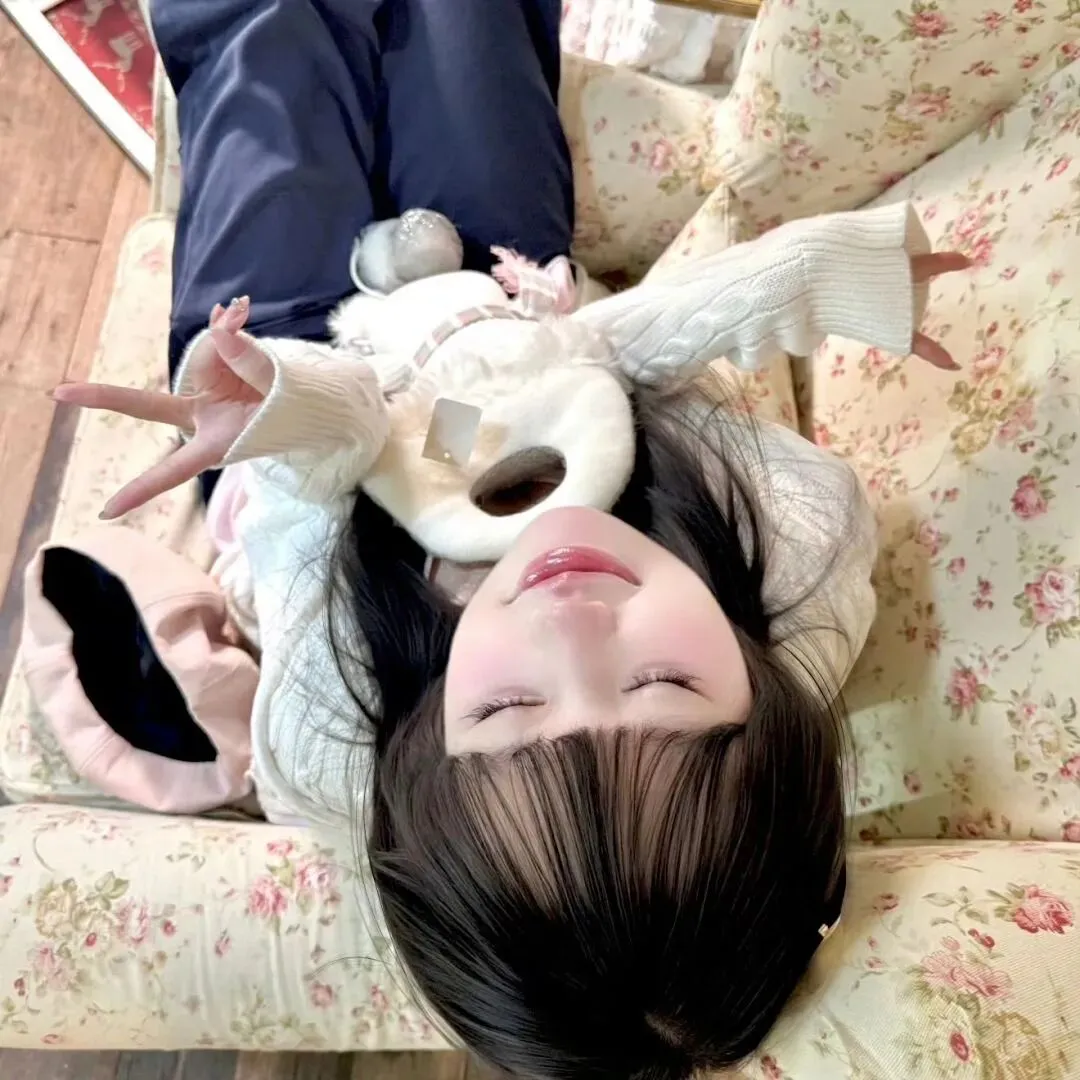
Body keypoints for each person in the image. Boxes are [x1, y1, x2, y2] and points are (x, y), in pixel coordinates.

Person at [50, 1, 969, 1076]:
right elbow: (627, 363)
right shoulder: (795, 549)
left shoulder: (329, 734)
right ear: (768, 701)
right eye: (664, 681)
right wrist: (816, 276)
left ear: (420, 754)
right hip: (511, 316)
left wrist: (287, 402)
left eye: (506, 707)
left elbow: (309, 485)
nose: (569, 622)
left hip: (287, 403)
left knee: (270, 51)